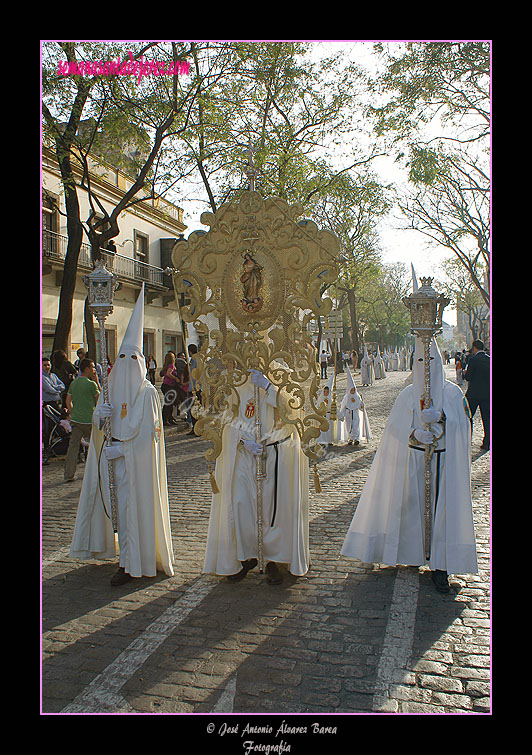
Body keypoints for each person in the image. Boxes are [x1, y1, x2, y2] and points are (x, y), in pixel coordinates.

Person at [341, 336, 477, 594]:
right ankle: (413, 554)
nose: (426, 366)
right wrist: (413, 433)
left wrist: (444, 417)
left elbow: (465, 424)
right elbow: (392, 429)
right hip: (414, 461)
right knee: (413, 511)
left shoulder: (452, 393)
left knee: (441, 513)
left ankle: (441, 566)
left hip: (442, 462)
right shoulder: (406, 395)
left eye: (431, 360)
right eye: (421, 360)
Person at [69, 287, 175, 586]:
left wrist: (125, 452)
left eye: (133, 357)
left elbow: (151, 437)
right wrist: (98, 416)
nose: (127, 362)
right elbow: (101, 424)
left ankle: (132, 563)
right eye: (122, 357)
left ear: (141, 361)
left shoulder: (149, 393)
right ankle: (121, 556)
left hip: (135, 466)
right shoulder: (111, 387)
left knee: (132, 512)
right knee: (117, 511)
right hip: (112, 461)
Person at [202, 365, 309, 586]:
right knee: (241, 503)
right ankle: (247, 555)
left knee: (271, 511)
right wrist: (242, 440)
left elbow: (293, 410)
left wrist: (269, 388)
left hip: (274, 452)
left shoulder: (281, 371)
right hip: (244, 452)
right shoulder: (235, 377)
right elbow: (227, 418)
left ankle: (272, 560)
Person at [63, 358, 100, 482]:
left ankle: (69, 473)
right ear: (87, 369)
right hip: (89, 420)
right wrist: (97, 381)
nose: (94, 370)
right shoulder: (91, 384)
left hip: (76, 420)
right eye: (93, 367)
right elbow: (99, 400)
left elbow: (68, 400)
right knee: (95, 447)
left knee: (73, 447)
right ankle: (95, 472)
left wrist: (72, 411)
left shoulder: (74, 383)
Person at [463, 339, 490, 451]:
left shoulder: (473, 360)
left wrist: (465, 373)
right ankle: (487, 442)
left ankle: (467, 440)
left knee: (468, 417)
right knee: (487, 419)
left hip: (473, 394)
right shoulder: (489, 359)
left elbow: (468, 377)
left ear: (474, 348)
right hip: (487, 394)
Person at [338, 367, 371, 446]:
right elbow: (343, 406)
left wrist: (362, 405)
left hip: (355, 412)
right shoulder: (347, 397)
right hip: (348, 413)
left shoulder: (357, 397)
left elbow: (360, 405)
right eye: (351, 390)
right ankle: (350, 438)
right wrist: (341, 415)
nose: (352, 391)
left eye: (353, 390)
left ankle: (356, 438)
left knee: (355, 425)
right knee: (348, 426)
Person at [317, 373, 347, 446]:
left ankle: (329, 441)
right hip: (323, 416)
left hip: (329, 415)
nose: (325, 393)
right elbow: (317, 406)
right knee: (322, 429)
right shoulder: (321, 398)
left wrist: (340, 416)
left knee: (329, 429)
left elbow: (335, 409)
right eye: (324, 391)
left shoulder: (331, 400)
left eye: (327, 392)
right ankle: (322, 441)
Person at [160, 352, 180, 426]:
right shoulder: (171, 365)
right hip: (169, 385)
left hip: (166, 385)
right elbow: (169, 374)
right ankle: (165, 419)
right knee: (169, 403)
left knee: (170, 403)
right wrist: (175, 378)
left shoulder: (166, 365)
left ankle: (169, 418)